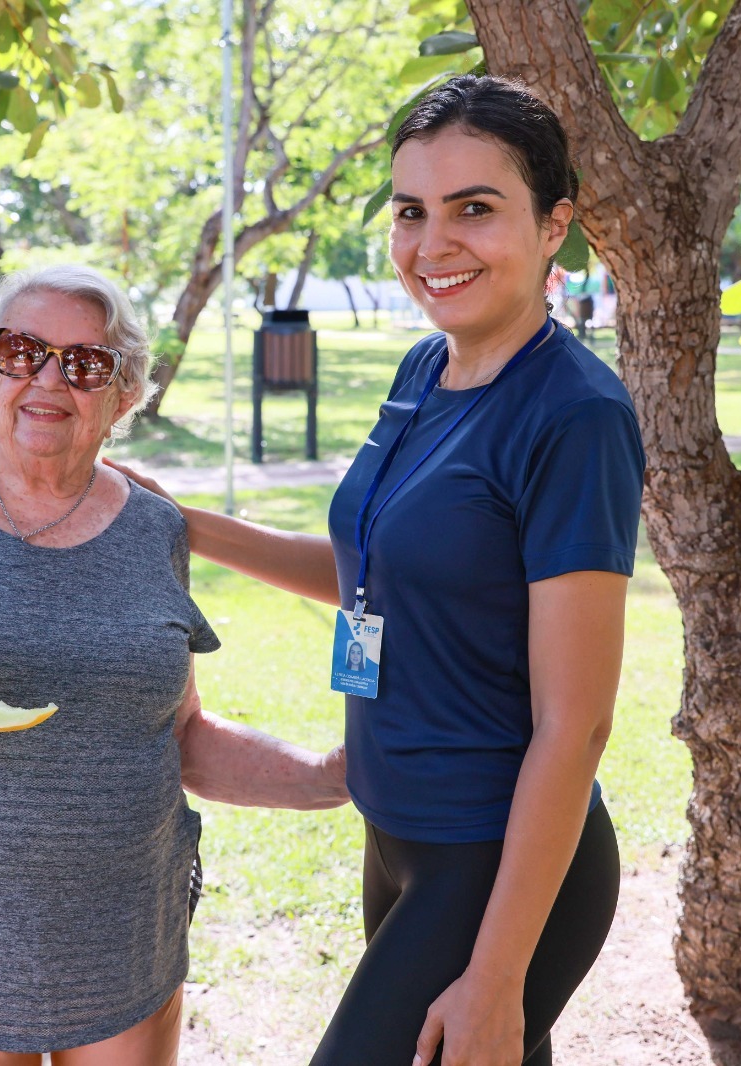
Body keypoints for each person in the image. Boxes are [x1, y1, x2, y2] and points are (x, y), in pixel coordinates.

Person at [114, 74, 644, 1066]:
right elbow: (380, 575)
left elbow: (576, 724)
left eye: (474, 209)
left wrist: (497, 976)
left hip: (493, 861)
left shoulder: (575, 417)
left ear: (554, 226)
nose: (433, 244)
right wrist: (179, 524)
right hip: (397, 837)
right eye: (411, 212)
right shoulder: (424, 371)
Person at [0, 265, 349, 1066]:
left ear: (124, 398)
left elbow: (179, 734)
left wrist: (328, 777)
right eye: (20, 351)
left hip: (127, 939)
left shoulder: (155, 529)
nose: (48, 379)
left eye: (86, 364)